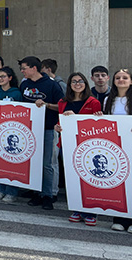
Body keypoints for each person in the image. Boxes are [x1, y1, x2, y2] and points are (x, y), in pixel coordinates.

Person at [54, 72, 101, 226]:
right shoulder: (62, 102)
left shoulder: (93, 102)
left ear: (86, 84)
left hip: (89, 147)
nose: (77, 84)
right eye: (74, 81)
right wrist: (58, 127)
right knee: (73, 179)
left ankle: (91, 212)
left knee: (89, 179)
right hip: (68, 144)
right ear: (69, 85)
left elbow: (97, 126)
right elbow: (60, 122)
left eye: (80, 81)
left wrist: (76, 117)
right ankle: (77, 208)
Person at [19, 56, 64, 211]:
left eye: (24, 68)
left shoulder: (52, 85)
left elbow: (62, 106)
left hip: (48, 129)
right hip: (29, 130)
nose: (22, 71)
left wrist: (46, 105)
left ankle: (48, 195)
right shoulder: (24, 84)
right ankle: (36, 192)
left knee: (48, 164)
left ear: (34, 68)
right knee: (34, 162)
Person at [0, 66, 24, 203]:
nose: (1, 79)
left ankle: (12, 192)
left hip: (14, 131)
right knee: (0, 160)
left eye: (3, 76)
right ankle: (2, 189)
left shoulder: (17, 93)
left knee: (12, 162)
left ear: (10, 78)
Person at [103, 69, 132, 232]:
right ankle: (119, 218)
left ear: (131, 81)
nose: (121, 80)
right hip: (116, 147)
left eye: (125, 78)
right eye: (118, 78)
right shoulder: (108, 99)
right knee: (119, 182)